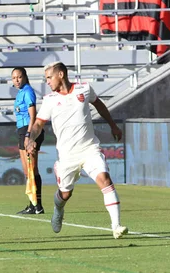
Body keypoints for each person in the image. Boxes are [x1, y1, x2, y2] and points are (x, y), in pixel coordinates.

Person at [25, 62, 128, 239]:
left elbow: (99, 105)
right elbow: (38, 124)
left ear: (61, 75)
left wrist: (113, 125)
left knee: (105, 179)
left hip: (90, 149)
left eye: (49, 77)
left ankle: (116, 226)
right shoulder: (50, 100)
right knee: (65, 194)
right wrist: (30, 138)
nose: (47, 81)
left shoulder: (84, 89)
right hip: (67, 155)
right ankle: (58, 209)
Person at [11, 67, 45, 215]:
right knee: (27, 171)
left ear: (24, 77)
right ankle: (33, 204)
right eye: (14, 78)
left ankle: (37, 205)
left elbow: (33, 117)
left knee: (32, 169)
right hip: (22, 131)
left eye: (19, 77)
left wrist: (29, 136)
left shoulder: (28, 91)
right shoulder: (20, 93)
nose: (16, 80)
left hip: (28, 130)